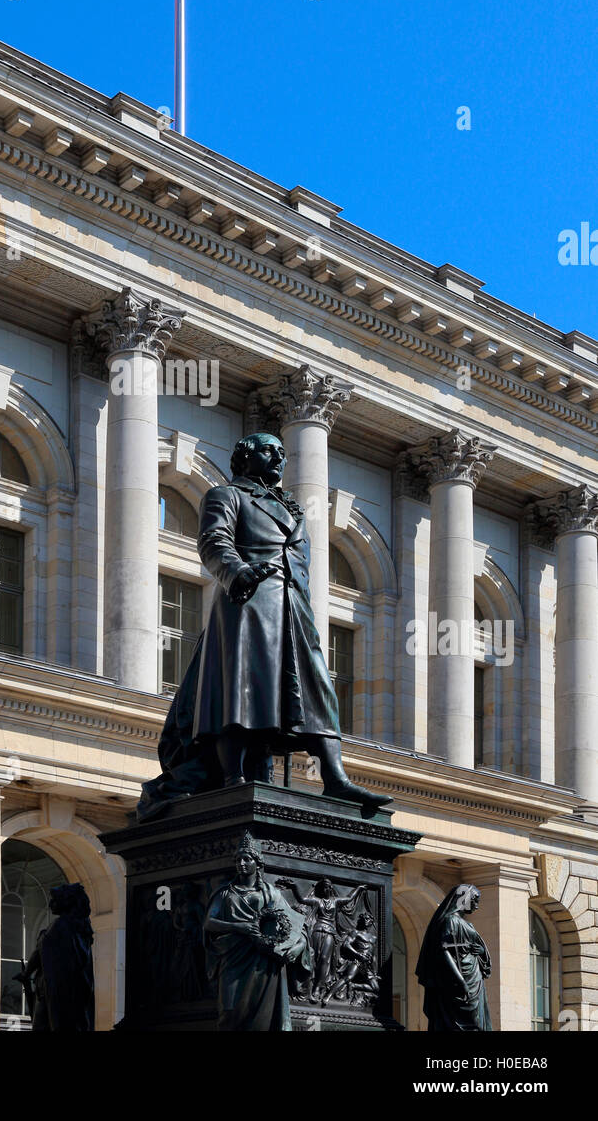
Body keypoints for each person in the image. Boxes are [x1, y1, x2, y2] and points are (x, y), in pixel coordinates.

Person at [137, 432, 389, 818]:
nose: (279, 459)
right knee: (239, 687)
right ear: (245, 457)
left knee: (317, 687)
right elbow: (214, 540)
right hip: (248, 599)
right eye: (268, 451)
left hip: (292, 607)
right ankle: (234, 778)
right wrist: (237, 572)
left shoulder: (292, 509)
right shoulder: (227, 495)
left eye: (282, 453)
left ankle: (335, 777)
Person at [204, 834, 309, 1031]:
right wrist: (239, 927)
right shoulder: (225, 893)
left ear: (257, 863)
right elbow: (209, 923)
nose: (241, 863)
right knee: (229, 1010)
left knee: (263, 1016)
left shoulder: (271, 893)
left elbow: (296, 925)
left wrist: (299, 946)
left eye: (247, 859)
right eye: (238, 859)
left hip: (264, 961)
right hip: (233, 957)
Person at [415, 883, 492, 1031]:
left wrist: (481, 950)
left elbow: (479, 950)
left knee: (476, 1024)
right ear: (464, 899)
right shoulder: (451, 921)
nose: (477, 905)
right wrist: (461, 981)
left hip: (474, 981)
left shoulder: (467, 924)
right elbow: (443, 951)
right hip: (459, 982)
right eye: (475, 900)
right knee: (462, 1023)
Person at [21, 883, 95, 1031]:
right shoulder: (66, 926)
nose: (50, 904)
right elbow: (40, 953)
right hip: (50, 991)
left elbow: (43, 952)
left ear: (66, 902)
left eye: (54, 900)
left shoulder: (63, 927)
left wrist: (27, 973)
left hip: (57, 993)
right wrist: (26, 973)